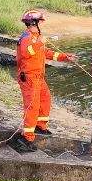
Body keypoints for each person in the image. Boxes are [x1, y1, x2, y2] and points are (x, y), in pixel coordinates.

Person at [13, 10, 75, 153]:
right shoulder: (27, 37)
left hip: (38, 77)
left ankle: (40, 126)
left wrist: (64, 57)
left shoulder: (36, 37)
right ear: (34, 23)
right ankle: (26, 138)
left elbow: (45, 53)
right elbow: (27, 52)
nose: (42, 24)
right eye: (40, 22)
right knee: (32, 107)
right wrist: (39, 42)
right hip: (29, 78)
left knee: (45, 99)